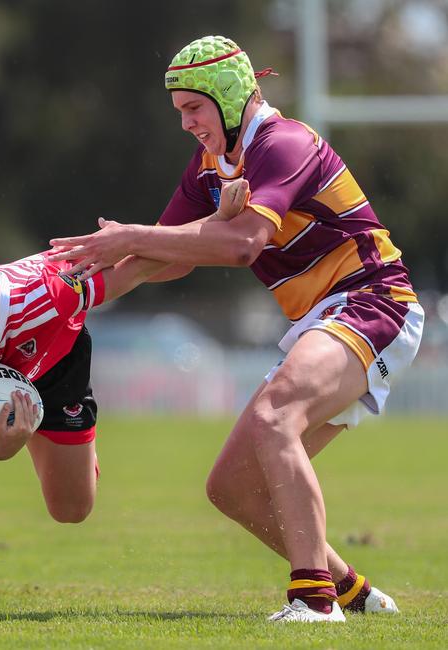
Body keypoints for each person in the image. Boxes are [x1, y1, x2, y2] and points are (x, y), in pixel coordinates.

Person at [48, 35, 424, 623]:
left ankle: (314, 601)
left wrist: (130, 235)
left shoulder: (284, 143)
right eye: (179, 112)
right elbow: (165, 256)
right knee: (232, 490)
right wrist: (67, 297)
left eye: (193, 108)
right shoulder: (209, 169)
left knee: (278, 418)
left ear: (227, 96)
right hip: (322, 319)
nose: (186, 124)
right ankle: (355, 592)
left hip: (374, 300)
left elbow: (243, 244)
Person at [0, 182, 250, 612]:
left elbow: (137, 267)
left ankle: (73, 444)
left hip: (54, 364)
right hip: (1, 375)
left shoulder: (48, 297)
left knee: (71, 510)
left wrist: (217, 221)